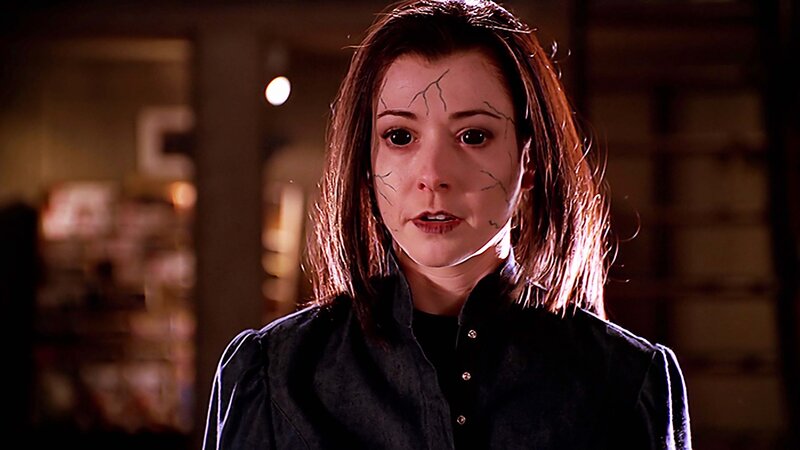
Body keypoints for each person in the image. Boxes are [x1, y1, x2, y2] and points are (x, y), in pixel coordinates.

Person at [203, 0, 692, 448]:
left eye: (473, 135)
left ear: (530, 159)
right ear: (365, 161)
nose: (433, 175)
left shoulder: (625, 379)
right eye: (399, 136)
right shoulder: (275, 376)